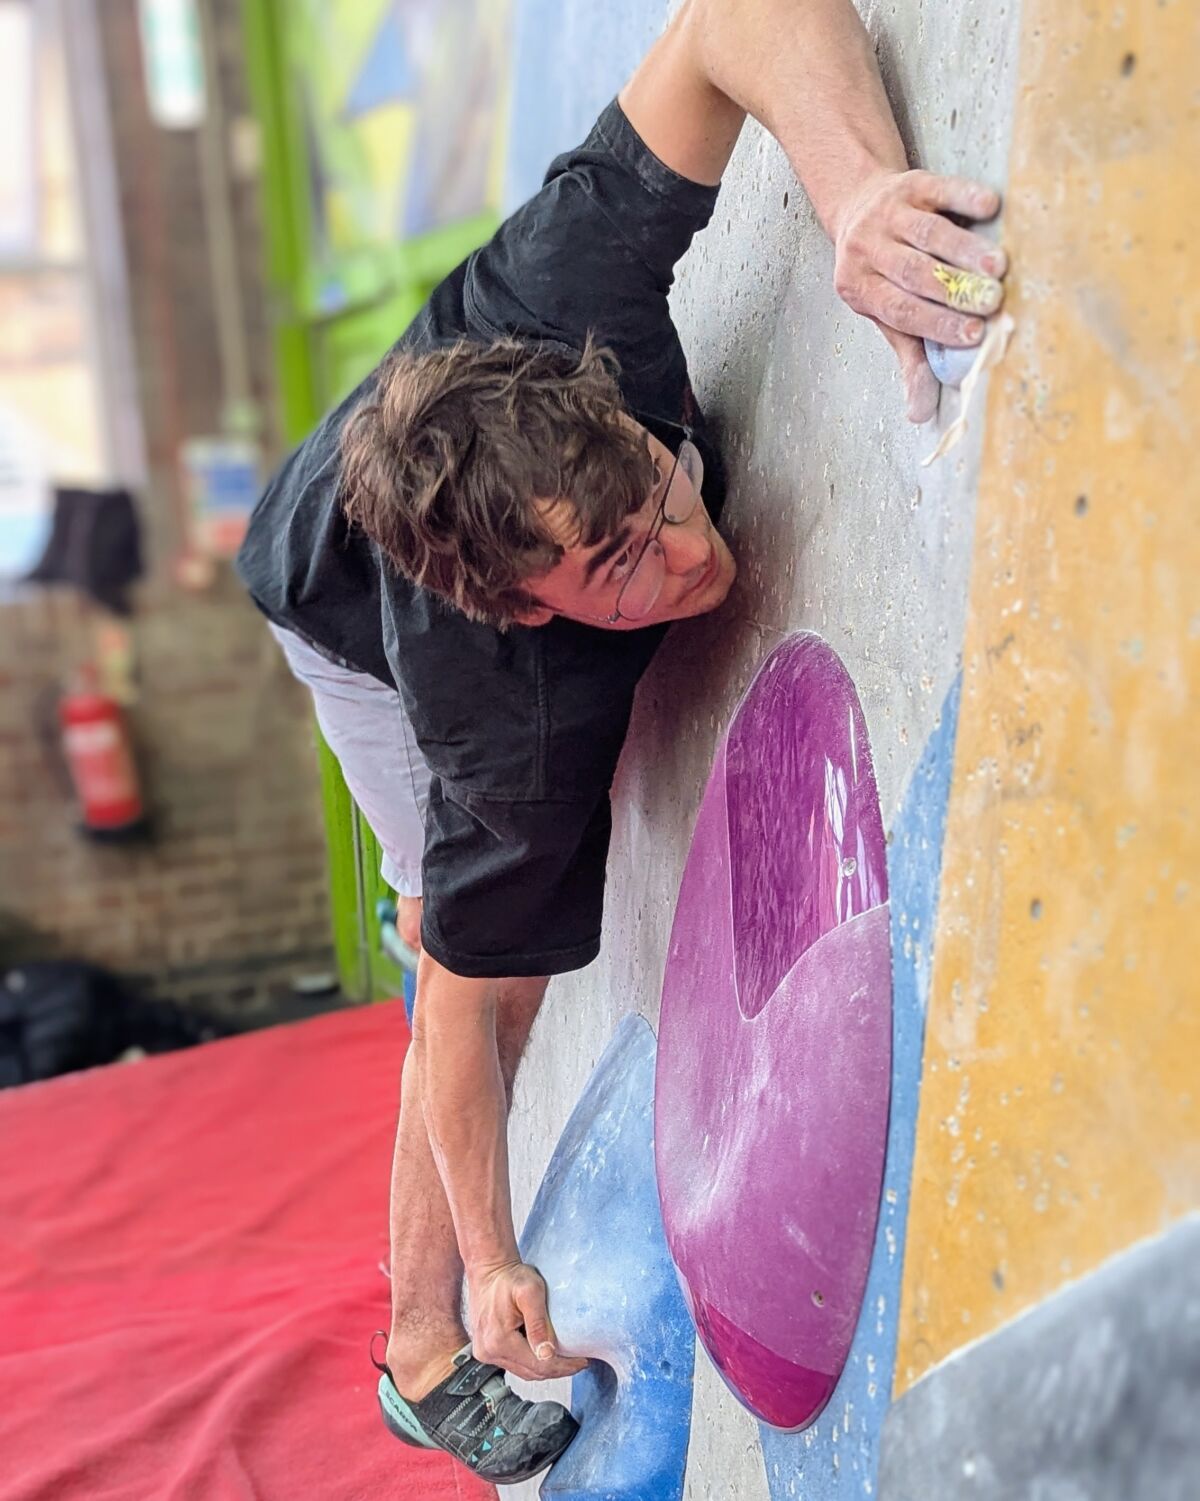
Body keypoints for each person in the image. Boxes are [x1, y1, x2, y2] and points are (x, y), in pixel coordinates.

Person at [236, 0, 1006, 1482]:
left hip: (428, 424)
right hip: (326, 604)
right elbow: (466, 1020)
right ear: (530, 609)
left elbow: (742, 15)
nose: (690, 554)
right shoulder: (506, 737)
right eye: (622, 568)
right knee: (477, 950)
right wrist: (494, 1250)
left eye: (660, 485)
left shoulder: (567, 287)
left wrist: (855, 199)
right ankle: (414, 1351)